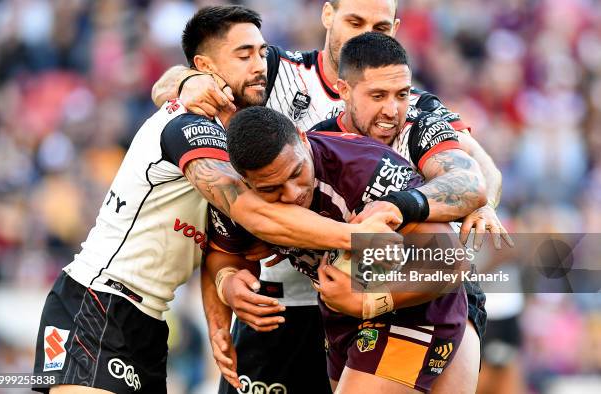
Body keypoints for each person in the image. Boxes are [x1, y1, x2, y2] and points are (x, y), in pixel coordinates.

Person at [31, 6, 399, 394]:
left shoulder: (240, 136)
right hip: (99, 302)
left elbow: (220, 241)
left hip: (150, 319)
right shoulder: (188, 125)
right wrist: (357, 239)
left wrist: (221, 297)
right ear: (203, 67)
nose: (260, 65)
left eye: (261, 52)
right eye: (244, 56)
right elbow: (252, 214)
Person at [151, 2, 503, 393]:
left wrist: (466, 203)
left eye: (381, 26)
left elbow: (474, 174)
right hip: (309, 299)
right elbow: (184, 79)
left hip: (417, 284)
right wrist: (187, 82)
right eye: (355, 21)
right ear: (328, 15)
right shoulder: (276, 74)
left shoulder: (413, 110)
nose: (365, 33)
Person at [207, 104, 475, 393]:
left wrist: (371, 302)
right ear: (245, 181)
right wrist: (229, 283)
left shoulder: (362, 169)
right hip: (340, 317)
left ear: (302, 137)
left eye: (297, 172)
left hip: (415, 308)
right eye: (271, 190)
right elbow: (224, 252)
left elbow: (448, 258)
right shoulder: (233, 191)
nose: (293, 193)